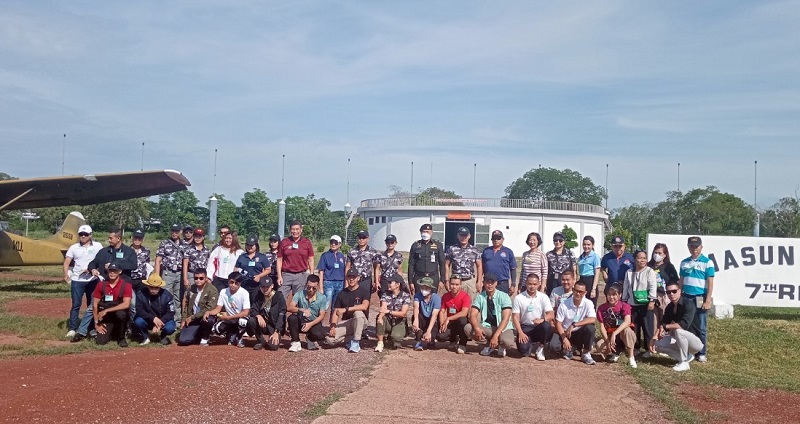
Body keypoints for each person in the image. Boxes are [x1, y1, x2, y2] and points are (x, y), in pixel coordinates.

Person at [649, 281, 703, 372]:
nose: (671, 294)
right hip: (680, 340)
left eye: (674, 291)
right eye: (668, 292)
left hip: (695, 342)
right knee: (656, 344)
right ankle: (687, 357)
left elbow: (683, 325)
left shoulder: (688, 304)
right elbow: (663, 323)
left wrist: (665, 326)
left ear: (679, 291)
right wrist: (653, 338)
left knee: (679, 331)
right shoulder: (670, 307)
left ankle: (684, 362)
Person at [678, 236, 715, 363]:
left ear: (701, 247)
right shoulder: (684, 262)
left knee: (701, 325)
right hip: (686, 296)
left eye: (697, 246)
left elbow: (710, 282)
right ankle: (688, 350)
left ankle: (702, 352)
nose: (694, 249)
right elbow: (681, 281)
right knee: (687, 324)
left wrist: (707, 300)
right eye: (692, 246)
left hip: (699, 297)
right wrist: (679, 295)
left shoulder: (708, 262)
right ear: (688, 247)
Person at [63, 224, 102, 340]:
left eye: (86, 234)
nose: (83, 236)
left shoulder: (98, 246)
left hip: (92, 280)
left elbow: (101, 260)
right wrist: (66, 274)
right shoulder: (73, 247)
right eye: (81, 234)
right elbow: (67, 262)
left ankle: (91, 328)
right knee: (76, 305)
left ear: (90, 235)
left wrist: (94, 270)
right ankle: (72, 328)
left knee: (92, 305)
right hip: (77, 280)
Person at [465, 273, 515, 357]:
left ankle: (500, 345)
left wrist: (495, 336)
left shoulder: (504, 296)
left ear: (496, 283)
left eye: (492, 282)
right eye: (487, 282)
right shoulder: (480, 297)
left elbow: (505, 319)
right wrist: (477, 329)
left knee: (507, 342)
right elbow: (472, 315)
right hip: (488, 326)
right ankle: (489, 344)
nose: (490, 285)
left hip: (503, 327)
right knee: (468, 328)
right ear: (483, 283)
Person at [622, 250, 658, 356]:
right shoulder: (629, 272)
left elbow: (653, 286)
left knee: (647, 327)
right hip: (632, 303)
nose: (642, 260)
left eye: (644, 258)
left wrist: (652, 300)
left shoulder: (649, 271)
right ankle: (636, 347)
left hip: (646, 303)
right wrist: (624, 300)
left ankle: (648, 349)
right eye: (640, 258)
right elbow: (626, 287)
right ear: (634, 259)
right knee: (635, 326)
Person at [202, 272, 251, 347]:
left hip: (239, 318)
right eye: (231, 282)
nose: (233, 285)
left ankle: (239, 337)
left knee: (243, 321)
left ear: (240, 283)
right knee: (217, 329)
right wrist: (209, 312)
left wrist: (228, 317)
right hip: (229, 319)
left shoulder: (244, 293)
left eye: (236, 283)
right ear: (228, 282)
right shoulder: (223, 292)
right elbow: (218, 309)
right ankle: (231, 335)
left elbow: (246, 312)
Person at [327, 268, 370, 353]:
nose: (351, 279)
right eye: (349, 277)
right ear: (346, 278)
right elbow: (336, 311)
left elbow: (365, 306)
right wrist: (333, 326)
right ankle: (351, 338)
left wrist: (346, 309)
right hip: (348, 323)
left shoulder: (364, 291)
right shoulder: (341, 293)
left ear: (358, 278)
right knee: (330, 339)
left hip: (361, 321)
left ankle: (356, 342)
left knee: (358, 313)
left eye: (354, 277)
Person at [512, 274, 553, 361]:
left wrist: (542, 319)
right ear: (526, 283)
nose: (532, 286)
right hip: (525, 328)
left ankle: (540, 348)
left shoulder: (543, 297)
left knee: (546, 325)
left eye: (534, 284)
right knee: (524, 351)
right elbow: (515, 317)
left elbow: (551, 314)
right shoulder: (519, 298)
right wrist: (520, 332)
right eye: (530, 284)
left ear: (539, 284)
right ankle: (529, 344)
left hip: (538, 327)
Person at [90, 263, 133, 347]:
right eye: (110, 271)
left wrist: (107, 310)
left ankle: (121, 338)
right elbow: (95, 305)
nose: (112, 273)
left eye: (115, 271)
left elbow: (126, 304)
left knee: (121, 314)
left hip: (119, 315)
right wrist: (96, 323)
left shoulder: (126, 285)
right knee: (101, 342)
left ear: (120, 272)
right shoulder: (101, 285)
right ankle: (112, 332)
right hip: (107, 318)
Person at [555, 280, 597, 365]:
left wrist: (574, 325)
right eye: (576, 291)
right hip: (567, 334)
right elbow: (558, 323)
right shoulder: (564, 304)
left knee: (591, 328)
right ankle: (570, 348)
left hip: (580, 333)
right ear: (573, 290)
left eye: (581, 292)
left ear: (585, 293)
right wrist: (564, 339)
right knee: (554, 346)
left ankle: (586, 353)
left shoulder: (588, 303)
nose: (578, 294)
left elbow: (593, 319)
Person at [596, 284, 637, 368]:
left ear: (619, 295)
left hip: (623, 334)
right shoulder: (601, 308)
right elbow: (602, 327)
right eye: (609, 294)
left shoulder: (624, 306)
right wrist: (607, 341)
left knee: (627, 330)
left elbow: (627, 321)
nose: (611, 297)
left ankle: (631, 357)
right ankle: (615, 352)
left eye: (614, 295)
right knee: (599, 346)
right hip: (610, 335)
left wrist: (615, 333)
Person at [286, 275, 328, 352]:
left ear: (318, 286)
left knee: (320, 335)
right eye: (309, 287)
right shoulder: (299, 294)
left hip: (313, 322)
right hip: (301, 321)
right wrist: (301, 309)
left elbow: (322, 315)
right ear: (306, 284)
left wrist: (310, 324)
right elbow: (289, 307)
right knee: (291, 318)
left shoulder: (322, 298)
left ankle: (309, 338)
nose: (311, 290)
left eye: (314, 288)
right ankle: (295, 342)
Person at [178, 269, 219, 346]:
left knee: (209, 319)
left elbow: (209, 308)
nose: (198, 280)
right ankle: (197, 334)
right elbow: (186, 305)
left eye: (201, 278)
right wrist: (183, 319)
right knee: (183, 341)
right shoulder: (191, 288)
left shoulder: (212, 290)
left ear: (206, 278)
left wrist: (192, 317)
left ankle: (205, 336)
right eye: (196, 278)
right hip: (193, 318)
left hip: (203, 318)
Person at [133, 274, 176, 345]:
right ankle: (146, 337)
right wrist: (153, 318)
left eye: (156, 288)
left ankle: (163, 336)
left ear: (160, 287)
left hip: (163, 319)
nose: (154, 290)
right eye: (151, 287)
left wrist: (159, 323)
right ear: (147, 286)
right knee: (138, 321)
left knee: (170, 328)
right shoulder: (140, 294)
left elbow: (171, 312)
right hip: (148, 319)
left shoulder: (167, 296)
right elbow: (139, 310)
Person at [276, 220, 315, 299]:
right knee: (280, 297)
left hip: (301, 275)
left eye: (297, 229)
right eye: (293, 229)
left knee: (299, 299)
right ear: (290, 230)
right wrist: (279, 276)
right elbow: (279, 260)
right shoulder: (284, 242)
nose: (295, 231)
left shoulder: (307, 242)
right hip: (286, 275)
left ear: (301, 230)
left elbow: (311, 259)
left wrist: (311, 274)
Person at [246, 277, 287, 351]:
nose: (265, 289)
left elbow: (282, 315)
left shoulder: (279, 296)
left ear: (272, 286)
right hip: (264, 324)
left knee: (273, 347)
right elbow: (253, 309)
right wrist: (258, 316)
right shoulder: (259, 295)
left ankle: (272, 339)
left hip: (274, 326)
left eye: (267, 287)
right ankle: (261, 341)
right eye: (263, 287)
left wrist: (277, 331)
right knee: (251, 320)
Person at [155, 224, 186, 320]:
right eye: (173, 231)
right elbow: (158, 260)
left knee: (178, 297)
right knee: (165, 296)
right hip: (167, 273)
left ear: (180, 232)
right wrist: (157, 276)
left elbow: (186, 260)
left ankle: (177, 320)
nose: (174, 233)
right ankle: (164, 318)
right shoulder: (164, 243)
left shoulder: (184, 244)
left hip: (179, 274)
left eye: (176, 231)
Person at [375, 274, 412, 352]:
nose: (388, 284)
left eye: (390, 282)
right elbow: (383, 308)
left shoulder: (405, 296)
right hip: (388, 320)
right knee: (381, 318)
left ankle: (395, 336)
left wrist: (389, 312)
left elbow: (403, 313)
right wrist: (380, 317)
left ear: (397, 284)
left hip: (399, 321)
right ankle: (380, 343)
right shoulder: (385, 294)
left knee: (396, 337)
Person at [407, 223, 446, 295]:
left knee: (432, 298)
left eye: (427, 231)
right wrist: (410, 281)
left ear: (431, 232)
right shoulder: (415, 245)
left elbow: (442, 263)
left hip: (433, 277)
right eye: (423, 231)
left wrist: (442, 280)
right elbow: (411, 264)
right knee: (419, 298)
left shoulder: (438, 245)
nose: (425, 233)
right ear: (420, 232)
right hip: (419, 277)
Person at [445, 227, 482, 300]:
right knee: (456, 303)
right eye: (461, 235)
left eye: (465, 235)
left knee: (470, 303)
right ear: (458, 236)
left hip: (469, 281)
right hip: (456, 282)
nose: (463, 238)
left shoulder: (474, 250)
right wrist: (447, 280)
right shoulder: (452, 249)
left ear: (469, 236)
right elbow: (446, 265)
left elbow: (479, 266)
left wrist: (479, 281)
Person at [437, 275, 471, 354]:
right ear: (449, 284)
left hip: (460, 322)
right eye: (452, 284)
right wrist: (442, 324)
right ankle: (453, 340)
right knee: (440, 336)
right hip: (451, 323)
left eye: (457, 284)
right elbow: (442, 311)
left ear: (460, 285)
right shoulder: (445, 296)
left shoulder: (465, 296)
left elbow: (464, 312)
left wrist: (448, 318)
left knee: (463, 320)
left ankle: (462, 344)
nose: (454, 287)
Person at [318, 235, 346, 323]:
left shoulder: (342, 256)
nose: (333, 244)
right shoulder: (325, 255)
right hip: (328, 283)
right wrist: (321, 287)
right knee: (325, 305)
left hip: (340, 283)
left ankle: (332, 325)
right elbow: (321, 271)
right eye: (332, 242)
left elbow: (345, 270)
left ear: (340, 244)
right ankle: (319, 324)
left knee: (336, 306)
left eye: (335, 243)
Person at [235, 235, 272, 302]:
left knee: (255, 303)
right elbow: (236, 269)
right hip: (244, 284)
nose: (249, 247)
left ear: (256, 245)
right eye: (248, 245)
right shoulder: (242, 257)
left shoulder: (262, 257)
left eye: (252, 245)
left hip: (256, 285)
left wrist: (259, 276)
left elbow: (268, 270)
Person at [648, 242, 680, 318]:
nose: (657, 255)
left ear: (665, 255)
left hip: (664, 295)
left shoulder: (669, 266)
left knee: (664, 318)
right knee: (653, 320)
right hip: (651, 296)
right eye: (655, 253)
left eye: (659, 253)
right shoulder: (648, 266)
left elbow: (675, 281)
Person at [481, 230, 517, 295]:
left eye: (498, 238)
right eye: (494, 238)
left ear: (503, 239)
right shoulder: (486, 251)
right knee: (486, 300)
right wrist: (479, 281)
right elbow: (481, 267)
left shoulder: (508, 251)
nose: (496, 240)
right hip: (488, 283)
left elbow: (513, 268)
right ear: (491, 240)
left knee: (502, 301)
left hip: (502, 283)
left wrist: (513, 284)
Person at [411, 276, 441, 351]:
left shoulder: (436, 298)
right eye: (422, 287)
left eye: (426, 288)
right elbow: (416, 307)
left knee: (431, 335)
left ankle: (431, 340)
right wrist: (416, 320)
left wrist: (428, 331)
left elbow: (434, 315)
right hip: (422, 319)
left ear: (431, 288)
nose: (424, 289)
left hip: (432, 320)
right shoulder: (417, 295)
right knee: (415, 317)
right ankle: (419, 341)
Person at [577, 236, 601, 302]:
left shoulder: (595, 257)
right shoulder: (581, 257)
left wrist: (593, 289)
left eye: (588, 245)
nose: (586, 246)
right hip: (582, 280)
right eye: (584, 244)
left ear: (592, 245)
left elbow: (597, 274)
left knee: (590, 304)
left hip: (590, 281)